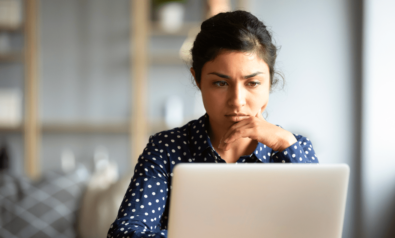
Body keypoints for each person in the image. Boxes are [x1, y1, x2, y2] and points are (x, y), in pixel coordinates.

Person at [107, 10, 319, 238]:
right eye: (220, 83)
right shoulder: (166, 149)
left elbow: (319, 230)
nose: (237, 100)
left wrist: (285, 142)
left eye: (253, 83)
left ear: (269, 82)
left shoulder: (295, 148)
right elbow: (125, 233)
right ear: (198, 80)